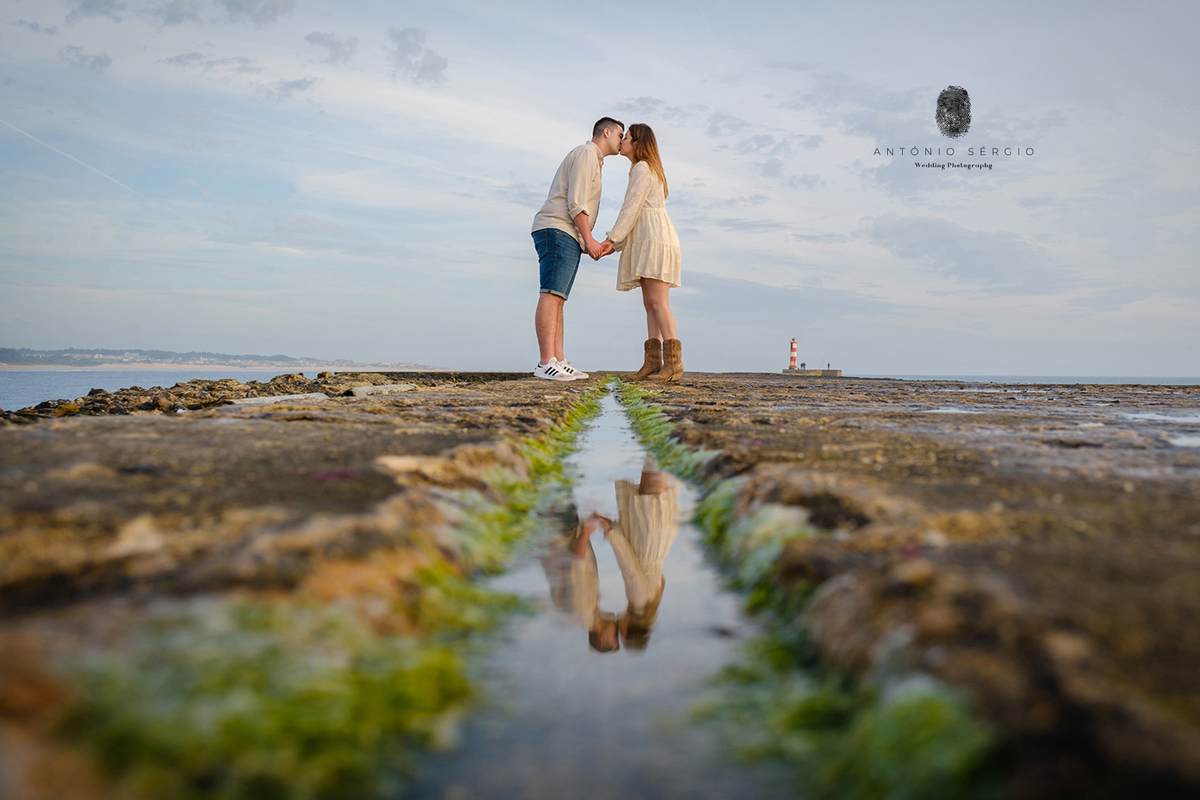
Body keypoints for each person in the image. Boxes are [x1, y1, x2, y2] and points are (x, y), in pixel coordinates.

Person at [530, 117, 624, 381]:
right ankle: (545, 362)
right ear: (607, 132)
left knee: (559, 297)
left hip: (566, 232)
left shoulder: (593, 159)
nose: (622, 140)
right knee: (551, 294)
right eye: (620, 135)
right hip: (558, 228)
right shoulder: (586, 153)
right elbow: (576, 201)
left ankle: (558, 361)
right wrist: (589, 239)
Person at [601, 123, 683, 382]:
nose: (621, 141)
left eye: (626, 137)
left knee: (658, 302)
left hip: (654, 238)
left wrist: (612, 239)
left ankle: (674, 364)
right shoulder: (644, 168)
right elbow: (634, 211)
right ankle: (653, 362)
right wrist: (617, 242)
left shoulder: (643, 168)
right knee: (650, 304)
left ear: (637, 143)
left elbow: (631, 207)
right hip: (650, 236)